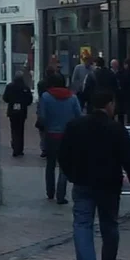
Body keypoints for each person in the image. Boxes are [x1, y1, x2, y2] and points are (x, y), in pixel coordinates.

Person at [58, 87, 130, 260]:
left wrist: (72, 175)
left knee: (82, 223)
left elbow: (63, 155)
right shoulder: (116, 129)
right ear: (109, 105)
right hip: (109, 184)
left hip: (82, 183)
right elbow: (129, 161)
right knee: (109, 224)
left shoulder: (75, 125)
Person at [37, 72, 82, 204]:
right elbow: (78, 115)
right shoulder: (72, 98)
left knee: (50, 164)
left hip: (51, 135)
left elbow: (42, 117)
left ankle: (50, 192)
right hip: (68, 136)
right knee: (64, 166)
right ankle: (61, 195)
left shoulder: (45, 97)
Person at [3, 72, 33, 157]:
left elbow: (5, 98)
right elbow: (29, 100)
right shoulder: (25, 88)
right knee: (21, 130)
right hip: (22, 111)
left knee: (14, 129)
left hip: (12, 111)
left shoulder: (9, 86)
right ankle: (20, 149)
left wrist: (12, 102)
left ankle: (15, 146)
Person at [36, 66, 58, 158]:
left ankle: (44, 148)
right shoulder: (56, 83)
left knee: (42, 129)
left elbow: (40, 95)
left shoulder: (41, 83)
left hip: (42, 106)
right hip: (54, 106)